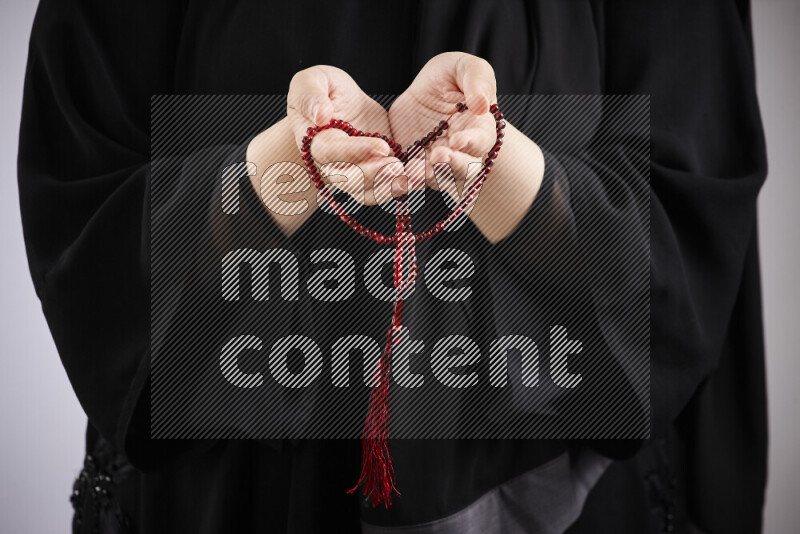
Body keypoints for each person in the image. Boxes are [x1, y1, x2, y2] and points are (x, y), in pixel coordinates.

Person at [17, 1, 767, 533]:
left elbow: (687, 215)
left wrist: (497, 171)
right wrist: (285, 168)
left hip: (551, 488)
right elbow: (85, 204)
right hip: (232, 495)